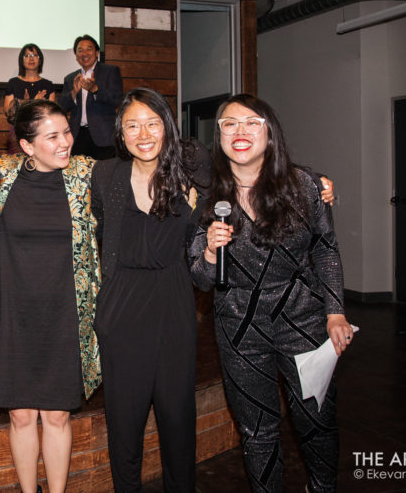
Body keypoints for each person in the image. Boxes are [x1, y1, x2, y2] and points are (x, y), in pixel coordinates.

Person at [188, 94, 353, 493]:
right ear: (219, 136)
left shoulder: (307, 185)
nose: (239, 131)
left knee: (316, 422)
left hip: (303, 319)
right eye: (229, 124)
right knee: (257, 432)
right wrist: (209, 251)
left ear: (270, 133)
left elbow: (325, 249)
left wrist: (335, 311)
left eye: (251, 123)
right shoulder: (205, 197)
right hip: (238, 327)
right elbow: (201, 279)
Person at [0, 99, 101, 493]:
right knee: (21, 415)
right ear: (27, 146)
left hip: (64, 310)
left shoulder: (86, 174)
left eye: (67, 132)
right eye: (53, 136)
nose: (66, 141)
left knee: (58, 416)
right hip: (12, 311)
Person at [91, 88, 210, 492]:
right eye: (132, 125)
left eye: (152, 123)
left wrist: (313, 180)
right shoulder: (104, 175)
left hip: (173, 304)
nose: (143, 134)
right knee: (124, 424)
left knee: (178, 420)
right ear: (120, 134)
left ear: (167, 127)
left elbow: (251, 168)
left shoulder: (192, 172)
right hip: (121, 310)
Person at [57, 34, 123, 160]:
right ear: (76, 56)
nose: (84, 53)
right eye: (80, 50)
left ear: (97, 52)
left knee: (104, 176)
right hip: (77, 136)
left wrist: (95, 89)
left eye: (89, 49)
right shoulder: (70, 78)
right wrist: (73, 93)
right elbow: (61, 107)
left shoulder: (110, 71)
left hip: (103, 135)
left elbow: (116, 99)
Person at [2, 43, 56, 154]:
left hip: (42, 132)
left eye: (35, 55)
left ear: (40, 60)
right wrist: (31, 103)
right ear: (21, 60)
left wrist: (28, 104)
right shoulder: (13, 83)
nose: (31, 58)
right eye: (27, 56)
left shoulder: (48, 85)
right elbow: (8, 112)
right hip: (18, 133)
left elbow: (51, 114)